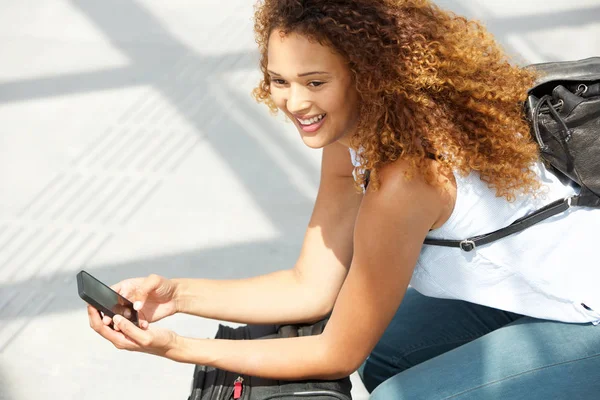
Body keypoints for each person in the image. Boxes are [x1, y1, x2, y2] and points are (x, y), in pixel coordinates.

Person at [87, 0, 600, 398]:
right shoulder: (353, 139)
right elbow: (310, 287)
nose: (295, 103)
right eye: (279, 81)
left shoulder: (406, 178)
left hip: (591, 306)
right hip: (541, 283)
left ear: (368, 74)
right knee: (390, 353)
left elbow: (336, 354)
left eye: (315, 82)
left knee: (401, 396)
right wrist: (176, 297)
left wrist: (177, 348)